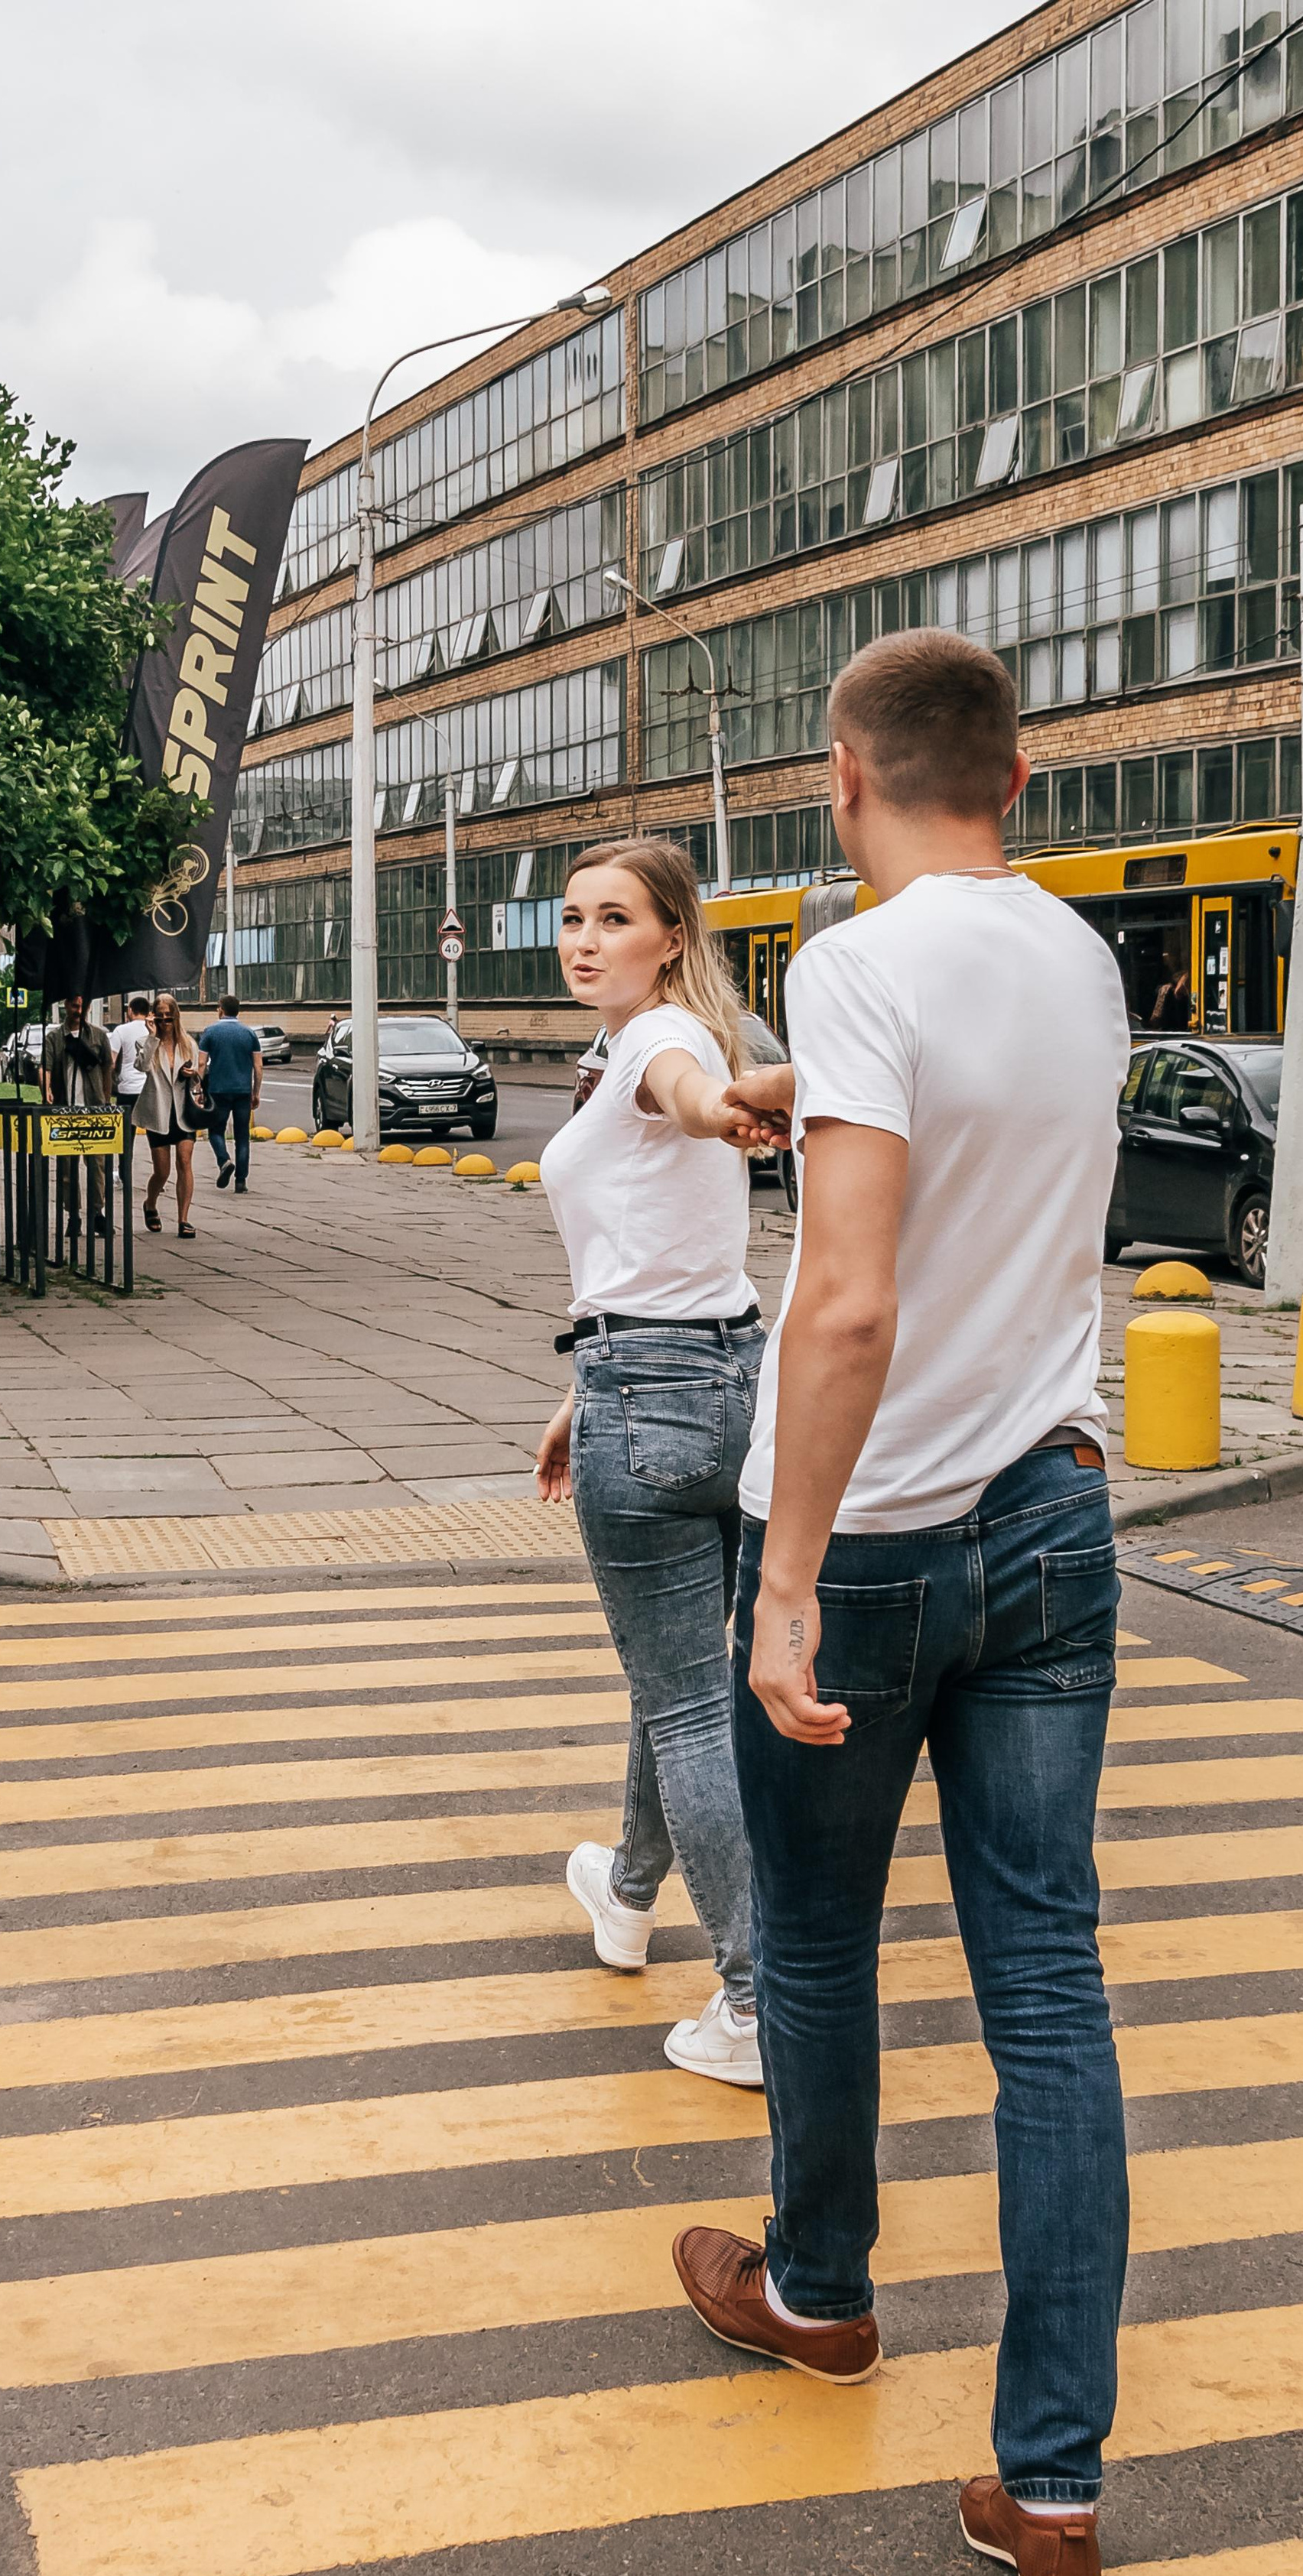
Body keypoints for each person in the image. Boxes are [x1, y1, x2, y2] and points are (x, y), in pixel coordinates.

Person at [671, 630, 1132, 2576]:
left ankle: (824, 2290)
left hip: (865, 1543)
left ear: (842, 782)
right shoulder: (1079, 956)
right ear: (1015, 782)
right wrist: (792, 1094)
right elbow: (984, 1132)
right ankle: (1054, 2489)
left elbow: (848, 1305)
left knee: (831, 1952)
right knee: (1048, 1994)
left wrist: (782, 1585)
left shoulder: (856, 961)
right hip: (1052, 1516)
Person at [534, 839, 767, 2087]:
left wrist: (713, 1103)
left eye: (612, 918)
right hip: (725, 1379)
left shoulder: (658, 1046)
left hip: (656, 1394)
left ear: (671, 935)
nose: (582, 940)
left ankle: (753, 2004)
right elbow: (665, 1244)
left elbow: (680, 1091)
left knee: (690, 1705)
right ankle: (627, 1892)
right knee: (678, 1671)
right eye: (571, 918)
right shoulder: (671, 1040)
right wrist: (583, 1388)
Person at [40, 988, 114, 1240]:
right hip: (65, 1109)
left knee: (97, 1166)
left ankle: (97, 1214)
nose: (78, 1011)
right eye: (74, 1006)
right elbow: (45, 1067)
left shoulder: (99, 1036)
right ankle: (73, 1216)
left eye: (82, 1007)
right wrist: (46, 1090)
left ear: (88, 1008)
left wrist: (106, 1099)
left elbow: (107, 1068)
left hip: (93, 1109)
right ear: (65, 1006)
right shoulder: (54, 1038)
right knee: (67, 1169)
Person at [134, 992, 208, 1237]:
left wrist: (192, 1075)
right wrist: (153, 1036)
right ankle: (150, 1203)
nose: (166, 1023)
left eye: (170, 1018)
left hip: (184, 1112)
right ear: (154, 1017)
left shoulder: (188, 1043)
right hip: (158, 1112)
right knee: (162, 1171)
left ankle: (183, 1220)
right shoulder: (147, 1042)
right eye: (162, 1018)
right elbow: (141, 1067)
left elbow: (199, 1074)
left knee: (185, 1162)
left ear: (177, 1017)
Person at [198, 994, 263, 1193]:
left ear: (221, 1009)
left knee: (216, 1131)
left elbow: (201, 1064)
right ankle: (241, 1181)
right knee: (242, 1136)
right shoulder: (249, 1034)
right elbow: (258, 1067)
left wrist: (198, 1088)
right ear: (238, 1011)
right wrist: (256, 1092)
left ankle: (224, 1161)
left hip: (218, 1091)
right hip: (243, 1091)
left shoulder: (210, 1032)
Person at [108, 992, 152, 1146]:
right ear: (148, 1012)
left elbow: (111, 1062)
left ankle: (125, 1167)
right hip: (149, 1089)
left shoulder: (121, 1030)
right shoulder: (153, 1031)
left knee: (126, 1136)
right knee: (155, 1136)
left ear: (131, 1011)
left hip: (127, 1089)